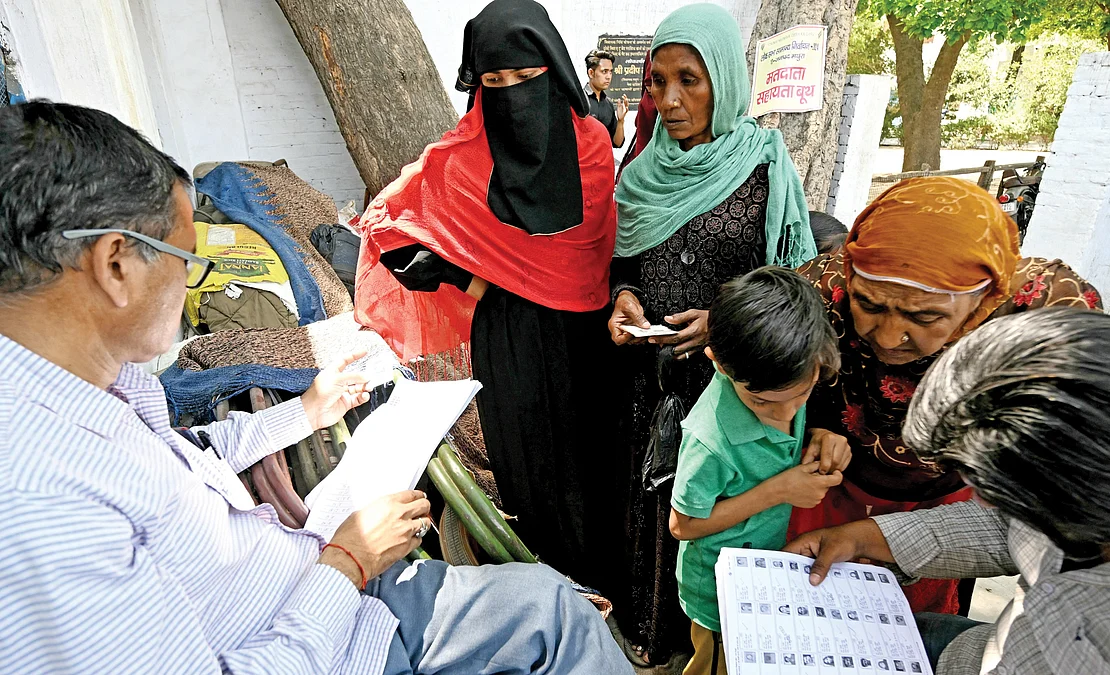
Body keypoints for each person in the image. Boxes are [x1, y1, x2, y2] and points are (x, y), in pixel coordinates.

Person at [0, 100, 628, 674]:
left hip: (311, 588)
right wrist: (348, 563)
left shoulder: (96, 382)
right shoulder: (41, 507)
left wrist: (305, 411)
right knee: (555, 616)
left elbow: (197, 451)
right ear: (116, 265)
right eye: (187, 259)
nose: (194, 282)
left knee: (548, 600)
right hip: (329, 633)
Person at [354, 0, 624, 595]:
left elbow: (594, 250)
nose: (512, 95)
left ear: (554, 70)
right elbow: (391, 228)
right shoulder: (462, 157)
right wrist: (472, 279)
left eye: (526, 78)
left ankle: (605, 588)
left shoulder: (590, 146)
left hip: (587, 338)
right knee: (525, 461)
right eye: (494, 82)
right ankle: (553, 590)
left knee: (591, 463)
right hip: (508, 337)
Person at [788, 309, 1110, 675]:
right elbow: (1006, 529)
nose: (982, 503)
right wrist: (862, 537)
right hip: (967, 656)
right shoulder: (1099, 497)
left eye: (1001, 497)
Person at [605, 4, 818, 665]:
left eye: (688, 80)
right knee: (649, 502)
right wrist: (624, 298)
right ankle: (651, 630)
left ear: (724, 79)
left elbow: (791, 283)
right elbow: (625, 261)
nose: (668, 100)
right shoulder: (642, 172)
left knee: (714, 510)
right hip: (651, 381)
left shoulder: (763, 166)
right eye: (657, 81)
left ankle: (711, 635)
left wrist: (724, 329)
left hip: (730, 390)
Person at [791, 176, 1103, 616]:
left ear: (983, 301)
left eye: (924, 316)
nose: (888, 336)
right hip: (834, 478)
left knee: (912, 618)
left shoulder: (1043, 313)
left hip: (958, 500)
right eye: (870, 305)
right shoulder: (825, 285)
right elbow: (784, 354)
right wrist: (819, 420)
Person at [668, 268, 848, 675]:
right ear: (719, 362)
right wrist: (780, 490)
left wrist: (822, 434)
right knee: (721, 664)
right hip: (719, 592)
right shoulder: (709, 440)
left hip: (768, 566)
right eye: (761, 403)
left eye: (801, 394)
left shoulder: (791, 372)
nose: (784, 413)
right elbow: (682, 525)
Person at [585, 49, 629, 148]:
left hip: (604, 161)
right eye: (604, 71)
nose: (609, 77)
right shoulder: (580, 101)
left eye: (610, 72)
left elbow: (617, 143)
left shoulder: (608, 104)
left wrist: (620, 121)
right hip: (583, 162)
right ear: (591, 73)